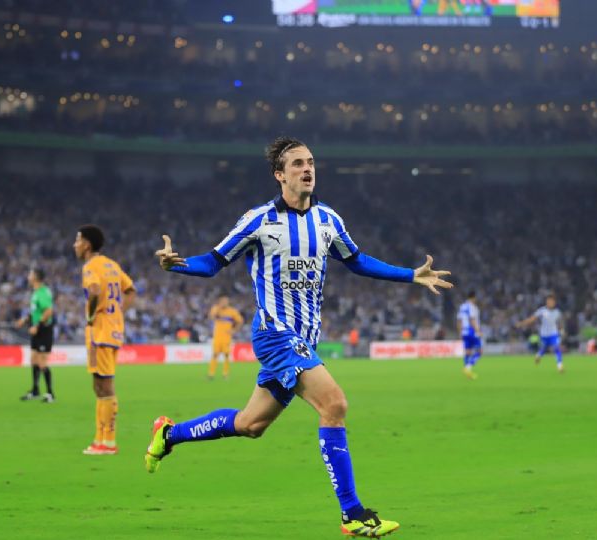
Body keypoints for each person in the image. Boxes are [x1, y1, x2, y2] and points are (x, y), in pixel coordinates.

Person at [146, 136, 452, 537]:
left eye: (310, 162)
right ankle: (353, 514)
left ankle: (169, 435)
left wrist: (410, 274)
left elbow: (357, 261)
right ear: (279, 175)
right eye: (297, 164)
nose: (307, 169)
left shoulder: (328, 221)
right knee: (335, 403)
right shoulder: (258, 221)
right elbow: (213, 262)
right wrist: (177, 264)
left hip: (303, 338)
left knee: (251, 424)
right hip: (275, 333)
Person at [74, 225, 135, 456]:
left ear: (87, 244)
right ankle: (101, 439)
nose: (75, 245)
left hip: (100, 332)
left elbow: (95, 289)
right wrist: (118, 313)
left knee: (105, 385)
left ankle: (108, 441)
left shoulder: (91, 267)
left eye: (77, 240)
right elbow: (130, 290)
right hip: (112, 330)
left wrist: (90, 314)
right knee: (100, 384)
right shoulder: (112, 265)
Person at [17, 268, 55, 402]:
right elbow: (36, 311)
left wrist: (37, 326)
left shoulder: (43, 292)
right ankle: (35, 390)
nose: (28, 277)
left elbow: (48, 311)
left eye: (30, 274)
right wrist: (25, 319)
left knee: (42, 362)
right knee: (33, 359)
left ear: (36, 277)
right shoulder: (36, 293)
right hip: (36, 329)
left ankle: (50, 394)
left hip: (43, 329)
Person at [516, 293, 565, 373]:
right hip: (544, 334)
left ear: (554, 302)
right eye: (548, 301)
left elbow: (560, 322)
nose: (550, 303)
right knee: (544, 348)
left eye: (551, 301)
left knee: (556, 348)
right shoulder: (542, 311)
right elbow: (532, 319)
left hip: (553, 333)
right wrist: (521, 324)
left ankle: (560, 366)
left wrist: (562, 329)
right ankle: (538, 355)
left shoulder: (557, 312)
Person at [206, 295, 243, 380]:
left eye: (226, 301)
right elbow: (211, 317)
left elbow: (240, 321)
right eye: (223, 301)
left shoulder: (232, 311)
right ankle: (211, 374)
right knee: (215, 354)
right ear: (220, 301)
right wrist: (218, 308)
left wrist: (234, 330)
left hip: (226, 336)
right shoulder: (216, 309)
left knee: (226, 355)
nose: (225, 303)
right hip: (217, 336)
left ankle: (225, 374)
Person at [456, 290, 482, 380]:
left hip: (464, 332)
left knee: (468, 352)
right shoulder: (472, 307)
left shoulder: (462, 306)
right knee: (479, 351)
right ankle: (468, 368)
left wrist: (460, 332)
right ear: (473, 297)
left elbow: (459, 321)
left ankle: (468, 374)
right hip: (472, 331)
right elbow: (472, 319)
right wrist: (478, 330)